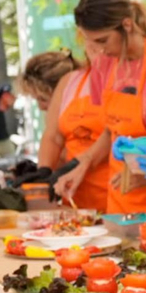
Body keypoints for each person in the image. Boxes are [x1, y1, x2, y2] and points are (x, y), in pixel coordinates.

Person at [53, 0, 146, 214]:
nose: (98, 51)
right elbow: (110, 131)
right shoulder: (104, 65)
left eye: (103, 40)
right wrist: (81, 166)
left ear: (127, 24)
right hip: (118, 202)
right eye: (91, 42)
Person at [40, 41, 108, 211]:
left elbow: (116, 134)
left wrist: (81, 162)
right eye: (89, 39)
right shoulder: (70, 82)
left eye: (102, 40)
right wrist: (44, 170)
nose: (95, 47)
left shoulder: (125, 82)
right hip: (73, 198)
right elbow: (53, 136)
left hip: (114, 197)